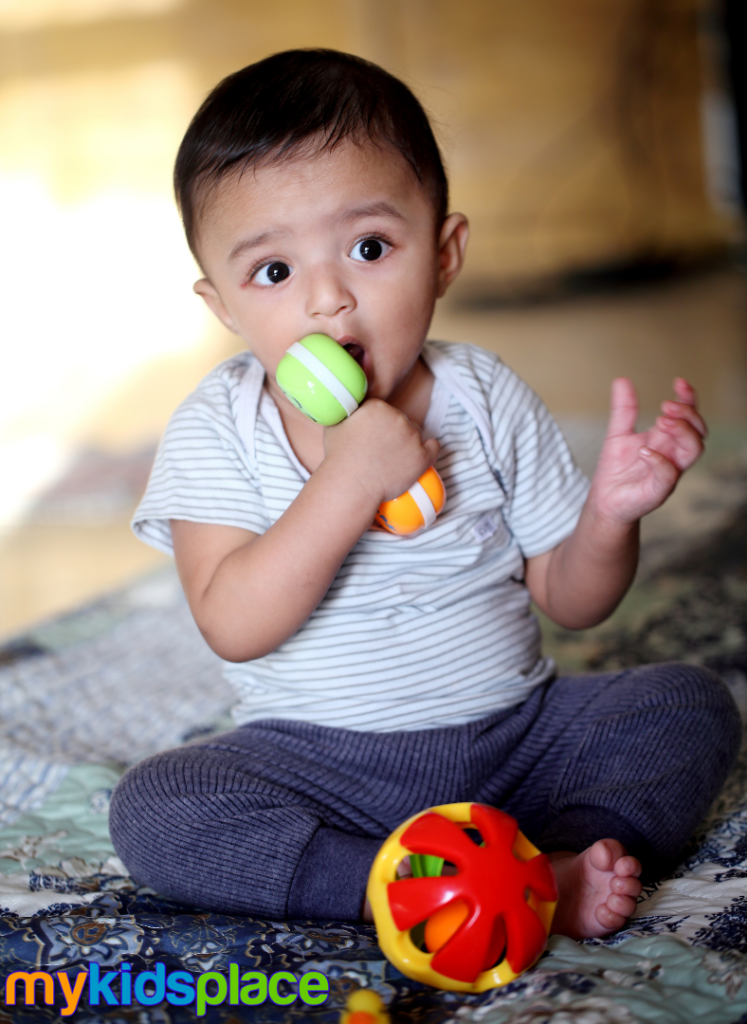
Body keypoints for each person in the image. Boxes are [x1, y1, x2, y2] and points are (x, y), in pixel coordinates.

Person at [109, 49, 740, 942]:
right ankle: (413, 885)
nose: (328, 299)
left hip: (517, 742)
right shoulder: (218, 427)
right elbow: (233, 620)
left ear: (442, 256)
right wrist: (348, 479)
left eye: (369, 248)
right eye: (274, 273)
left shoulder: (481, 396)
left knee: (686, 704)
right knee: (159, 807)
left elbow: (575, 600)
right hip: (317, 765)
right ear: (224, 307)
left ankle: (541, 864)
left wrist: (610, 515)